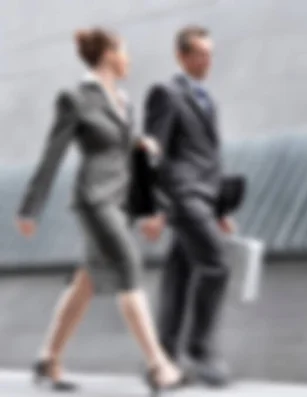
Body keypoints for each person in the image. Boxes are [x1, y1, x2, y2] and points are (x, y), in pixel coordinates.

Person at [15, 27, 188, 395]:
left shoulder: (123, 99)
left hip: (121, 201)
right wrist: (31, 207)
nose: (129, 59)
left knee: (87, 282)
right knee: (128, 265)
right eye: (124, 52)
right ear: (108, 53)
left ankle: (48, 359)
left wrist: (150, 203)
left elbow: (128, 157)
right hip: (94, 200)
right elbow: (53, 153)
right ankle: (159, 367)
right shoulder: (75, 99)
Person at [141, 25, 235, 387]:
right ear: (181, 56)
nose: (206, 61)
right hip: (183, 196)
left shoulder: (208, 100)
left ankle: (163, 360)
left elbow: (211, 158)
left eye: (210, 54)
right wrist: (153, 207)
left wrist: (221, 210)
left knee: (178, 278)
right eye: (199, 54)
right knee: (216, 264)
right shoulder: (166, 93)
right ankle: (199, 348)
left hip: (204, 198)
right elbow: (153, 152)